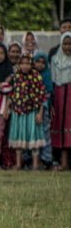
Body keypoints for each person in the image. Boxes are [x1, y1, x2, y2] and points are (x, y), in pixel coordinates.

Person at [7, 54, 48, 170]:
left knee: (33, 137)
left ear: (32, 64)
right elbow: (12, 94)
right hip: (18, 111)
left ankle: (35, 165)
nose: (25, 66)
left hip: (32, 112)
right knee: (19, 137)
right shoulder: (16, 77)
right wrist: (7, 108)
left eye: (28, 63)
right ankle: (19, 164)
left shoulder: (36, 77)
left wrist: (40, 113)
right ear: (19, 64)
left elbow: (42, 96)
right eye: (23, 63)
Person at [50, 31, 71, 170]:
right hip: (58, 95)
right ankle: (62, 162)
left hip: (70, 96)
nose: (68, 46)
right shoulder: (54, 60)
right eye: (65, 43)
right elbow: (52, 80)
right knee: (59, 125)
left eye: (70, 44)